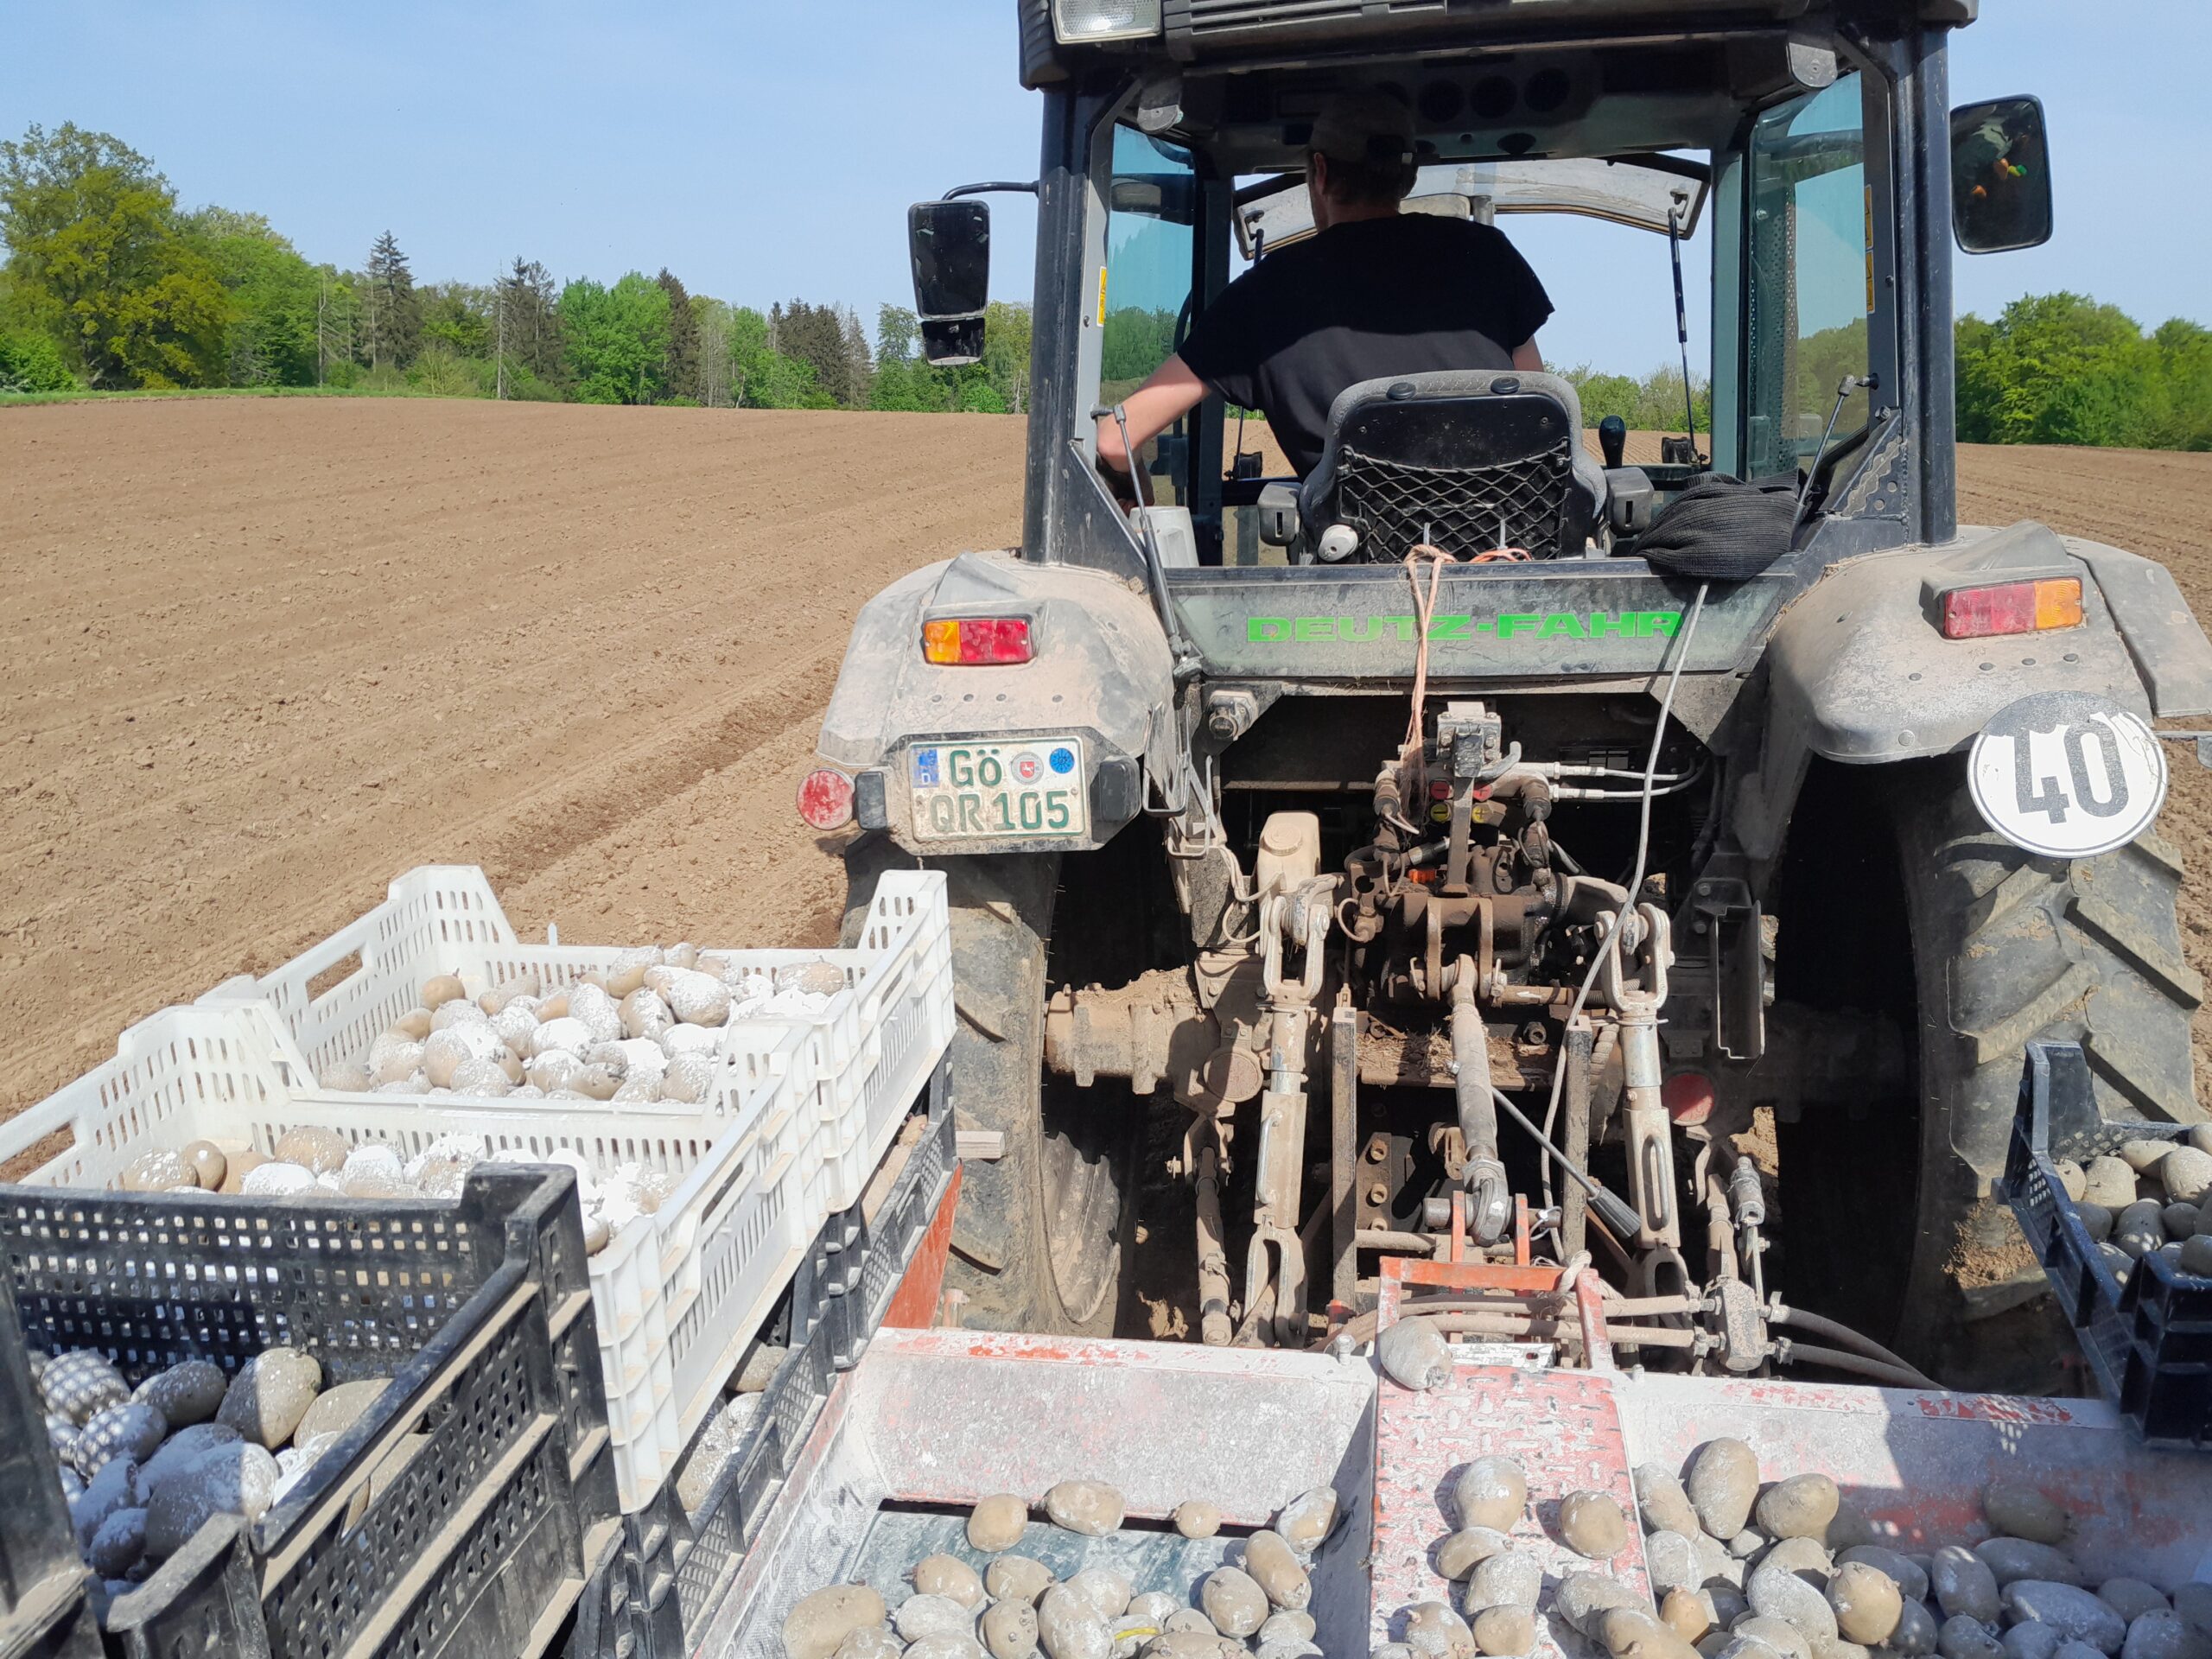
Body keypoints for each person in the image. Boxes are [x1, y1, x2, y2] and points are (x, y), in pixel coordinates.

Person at [1096, 88, 1554, 483]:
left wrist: (1136, 484)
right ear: (1408, 177)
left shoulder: (1266, 294)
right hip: (1504, 551)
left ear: (1320, 171)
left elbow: (1117, 437)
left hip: (1350, 566)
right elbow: (1541, 412)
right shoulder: (1488, 255)